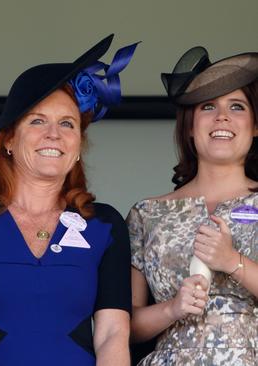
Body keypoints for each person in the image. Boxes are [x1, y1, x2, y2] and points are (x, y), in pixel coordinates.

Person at [0, 34, 137, 366]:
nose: (54, 134)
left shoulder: (104, 224)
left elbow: (113, 335)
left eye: (67, 124)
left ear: (78, 147)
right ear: (8, 140)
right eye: (37, 121)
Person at [128, 47, 258, 365]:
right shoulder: (146, 214)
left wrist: (233, 261)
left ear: (256, 126)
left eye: (237, 106)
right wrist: (172, 308)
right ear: (189, 126)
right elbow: (125, 326)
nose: (222, 117)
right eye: (208, 106)